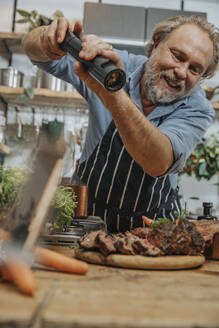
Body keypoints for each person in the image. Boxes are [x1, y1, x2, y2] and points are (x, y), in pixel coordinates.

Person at [22, 15, 219, 233]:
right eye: (177, 56)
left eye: (194, 69)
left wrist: (112, 90)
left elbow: (157, 160)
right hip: (87, 223)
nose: (181, 72)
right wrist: (47, 39)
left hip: (154, 233)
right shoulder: (116, 65)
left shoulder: (198, 108)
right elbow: (36, 53)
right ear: (156, 45)